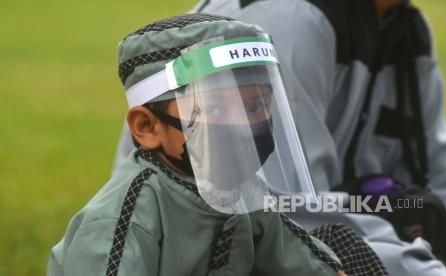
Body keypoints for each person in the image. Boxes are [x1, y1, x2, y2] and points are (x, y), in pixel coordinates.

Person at [109, 0, 446, 275]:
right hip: (215, 244)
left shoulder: (404, 25)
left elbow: (439, 182)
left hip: (310, 225)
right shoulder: (291, 17)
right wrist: (421, 268)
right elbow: (289, 209)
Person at [48, 14, 388, 276]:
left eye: (256, 106)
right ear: (147, 127)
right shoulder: (122, 222)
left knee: (340, 244)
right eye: (212, 109)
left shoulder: (245, 195)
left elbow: (309, 263)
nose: (242, 126)